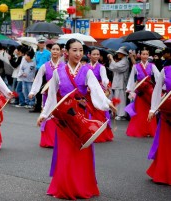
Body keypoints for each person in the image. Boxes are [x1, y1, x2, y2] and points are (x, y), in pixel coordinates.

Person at [37, 39, 116, 200]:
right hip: (64, 120)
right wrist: (43, 115)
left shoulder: (86, 71)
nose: (78, 54)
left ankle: (82, 186)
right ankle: (64, 187)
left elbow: (96, 91)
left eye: (80, 50)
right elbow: (52, 97)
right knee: (65, 155)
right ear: (67, 52)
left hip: (81, 119)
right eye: (74, 50)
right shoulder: (58, 72)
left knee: (81, 153)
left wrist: (108, 104)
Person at [29, 43, 64, 147]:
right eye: (53, 49)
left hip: (60, 96)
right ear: (50, 51)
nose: (55, 51)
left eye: (57, 49)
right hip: (48, 95)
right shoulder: (45, 66)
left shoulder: (64, 66)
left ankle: (60, 141)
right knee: (48, 115)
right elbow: (38, 79)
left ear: (61, 52)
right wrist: (33, 92)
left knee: (60, 117)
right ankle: (49, 141)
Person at [126, 48, 159, 138]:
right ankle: (140, 130)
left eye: (146, 54)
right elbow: (132, 78)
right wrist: (131, 90)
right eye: (143, 54)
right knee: (140, 111)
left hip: (149, 91)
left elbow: (158, 77)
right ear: (140, 55)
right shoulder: (135, 66)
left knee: (150, 110)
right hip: (140, 91)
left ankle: (149, 130)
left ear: (148, 55)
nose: (145, 56)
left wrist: (159, 88)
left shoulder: (152, 66)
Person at [147, 65, 171, 185]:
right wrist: (153, 109)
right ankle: (164, 173)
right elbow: (157, 90)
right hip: (168, 112)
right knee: (166, 145)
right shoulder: (166, 70)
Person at [89, 48, 114, 142]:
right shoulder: (85, 66)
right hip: (88, 90)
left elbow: (104, 79)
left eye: (97, 54)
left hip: (98, 91)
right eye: (94, 54)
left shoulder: (101, 67)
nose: (96, 56)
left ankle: (101, 133)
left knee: (99, 111)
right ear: (89, 55)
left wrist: (106, 85)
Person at [108, 46, 130, 120]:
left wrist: (111, 59)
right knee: (118, 98)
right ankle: (118, 113)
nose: (118, 54)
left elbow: (116, 67)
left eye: (119, 53)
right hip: (118, 82)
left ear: (122, 54)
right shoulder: (122, 61)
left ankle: (121, 114)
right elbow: (113, 67)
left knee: (121, 98)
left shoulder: (125, 61)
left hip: (121, 83)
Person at [32, 36, 51, 113]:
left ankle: (45, 107)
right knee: (37, 88)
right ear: (38, 44)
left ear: (45, 44)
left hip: (45, 72)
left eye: (43, 42)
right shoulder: (36, 53)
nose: (41, 44)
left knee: (44, 89)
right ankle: (37, 106)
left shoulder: (48, 53)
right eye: (40, 43)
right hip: (37, 71)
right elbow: (35, 63)